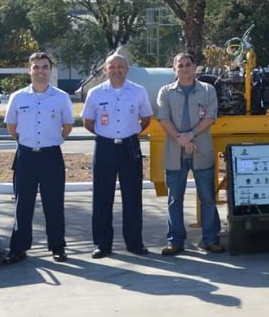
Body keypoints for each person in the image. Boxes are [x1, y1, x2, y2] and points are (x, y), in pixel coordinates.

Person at [2, 51, 74, 265]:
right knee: (23, 204)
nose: (40, 71)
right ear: (29, 70)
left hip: (51, 156)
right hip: (26, 156)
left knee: (54, 204)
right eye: (36, 67)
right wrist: (29, 141)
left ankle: (58, 247)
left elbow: (67, 126)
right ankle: (18, 248)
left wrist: (51, 141)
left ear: (50, 71)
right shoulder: (18, 97)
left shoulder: (61, 97)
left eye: (45, 67)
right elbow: (12, 128)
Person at [82, 53, 153, 258]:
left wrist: (129, 133)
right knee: (102, 197)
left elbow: (146, 119)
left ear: (127, 69)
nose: (116, 70)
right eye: (111, 67)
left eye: (120, 66)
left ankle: (134, 242)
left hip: (130, 146)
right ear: (105, 70)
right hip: (105, 146)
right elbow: (88, 122)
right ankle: (102, 244)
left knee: (132, 196)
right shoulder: (95, 93)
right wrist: (107, 135)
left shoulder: (138, 92)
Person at [155, 52, 223, 255]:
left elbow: (210, 117)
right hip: (175, 152)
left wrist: (190, 135)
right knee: (175, 198)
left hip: (201, 150)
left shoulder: (207, 90)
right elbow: (163, 118)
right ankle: (175, 241)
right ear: (174, 69)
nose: (184, 68)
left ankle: (211, 239)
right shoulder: (165, 92)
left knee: (208, 197)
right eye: (180, 65)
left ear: (195, 67)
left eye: (188, 64)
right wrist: (180, 139)